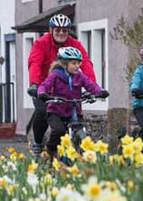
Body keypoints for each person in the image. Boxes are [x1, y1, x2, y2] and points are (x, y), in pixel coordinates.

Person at [27, 14, 96, 155]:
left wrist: (93, 85)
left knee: (74, 114)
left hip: (66, 88)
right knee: (42, 111)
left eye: (64, 30)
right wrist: (34, 84)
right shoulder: (41, 43)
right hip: (43, 86)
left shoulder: (74, 44)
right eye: (57, 30)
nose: (61, 33)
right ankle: (38, 144)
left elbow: (86, 63)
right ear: (51, 30)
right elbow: (35, 63)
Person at [37, 47, 109, 158]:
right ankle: (50, 151)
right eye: (73, 63)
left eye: (78, 63)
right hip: (56, 111)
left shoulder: (79, 76)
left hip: (74, 111)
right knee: (59, 131)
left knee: (81, 133)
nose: (77, 66)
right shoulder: (55, 75)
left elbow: (91, 85)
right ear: (64, 64)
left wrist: (100, 91)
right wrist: (42, 93)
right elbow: (45, 85)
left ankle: (83, 157)